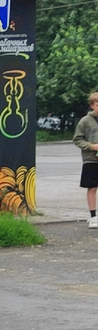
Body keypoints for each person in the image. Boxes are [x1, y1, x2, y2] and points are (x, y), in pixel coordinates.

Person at [73, 92, 98, 228]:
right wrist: (91, 146)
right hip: (91, 159)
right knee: (92, 187)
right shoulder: (85, 121)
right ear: (92, 106)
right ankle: (93, 216)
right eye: (97, 105)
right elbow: (77, 139)